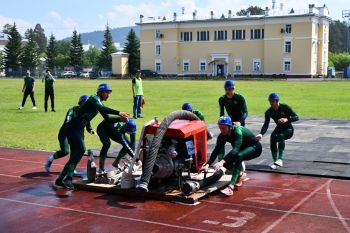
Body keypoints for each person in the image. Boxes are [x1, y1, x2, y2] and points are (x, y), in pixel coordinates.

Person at [54, 83, 129, 190]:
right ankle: (68, 178)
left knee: (75, 155)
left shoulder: (99, 104)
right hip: (73, 126)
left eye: (109, 93)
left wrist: (120, 119)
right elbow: (102, 109)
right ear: (100, 92)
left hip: (79, 128)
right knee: (81, 150)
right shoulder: (94, 98)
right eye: (107, 92)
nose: (108, 95)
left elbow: (107, 119)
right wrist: (118, 113)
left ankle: (60, 179)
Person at [200, 116, 262, 196]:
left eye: (223, 128)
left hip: (255, 148)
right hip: (242, 149)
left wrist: (222, 161)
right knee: (227, 163)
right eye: (220, 128)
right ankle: (240, 174)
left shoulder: (237, 132)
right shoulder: (222, 136)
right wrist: (208, 164)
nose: (221, 131)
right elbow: (216, 150)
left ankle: (230, 188)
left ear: (229, 127)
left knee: (239, 156)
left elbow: (235, 150)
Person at [45, 95, 90, 173]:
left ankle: (71, 169)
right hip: (65, 133)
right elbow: (68, 120)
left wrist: (90, 129)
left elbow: (88, 124)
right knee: (65, 151)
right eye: (85, 103)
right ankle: (50, 159)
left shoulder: (87, 113)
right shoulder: (72, 110)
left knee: (75, 152)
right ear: (80, 103)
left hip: (76, 134)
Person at [256, 93, 299, 170]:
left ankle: (280, 159)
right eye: (270, 101)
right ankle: (276, 162)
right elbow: (266, 124)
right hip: (279, 128)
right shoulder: (269, 112)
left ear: (277, 101)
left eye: (273, 101)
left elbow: (296, 117)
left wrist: (287, 119)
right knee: (272, 138)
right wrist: (261, 134)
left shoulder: (285, 107)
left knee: (280, 135)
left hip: (288, 129)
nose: (271, 103)